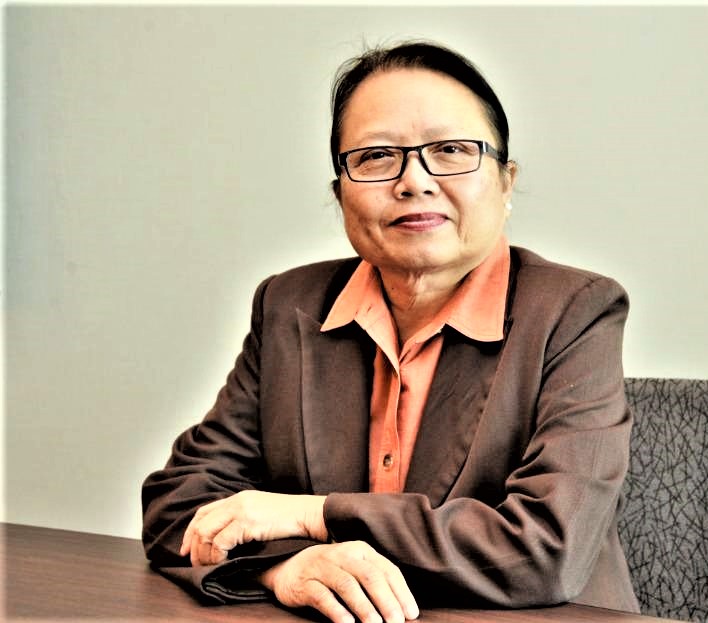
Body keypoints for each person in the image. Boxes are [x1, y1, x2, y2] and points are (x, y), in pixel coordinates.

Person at [141, 40, 638, 623]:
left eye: (451, 150)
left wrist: (314, 516)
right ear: (339, 194)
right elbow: (180, 503)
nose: (414, 181)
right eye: (377, 156)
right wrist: (284, 566)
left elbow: (545, 548)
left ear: (506, 183)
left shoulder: (575, 311)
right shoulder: (289, 306)